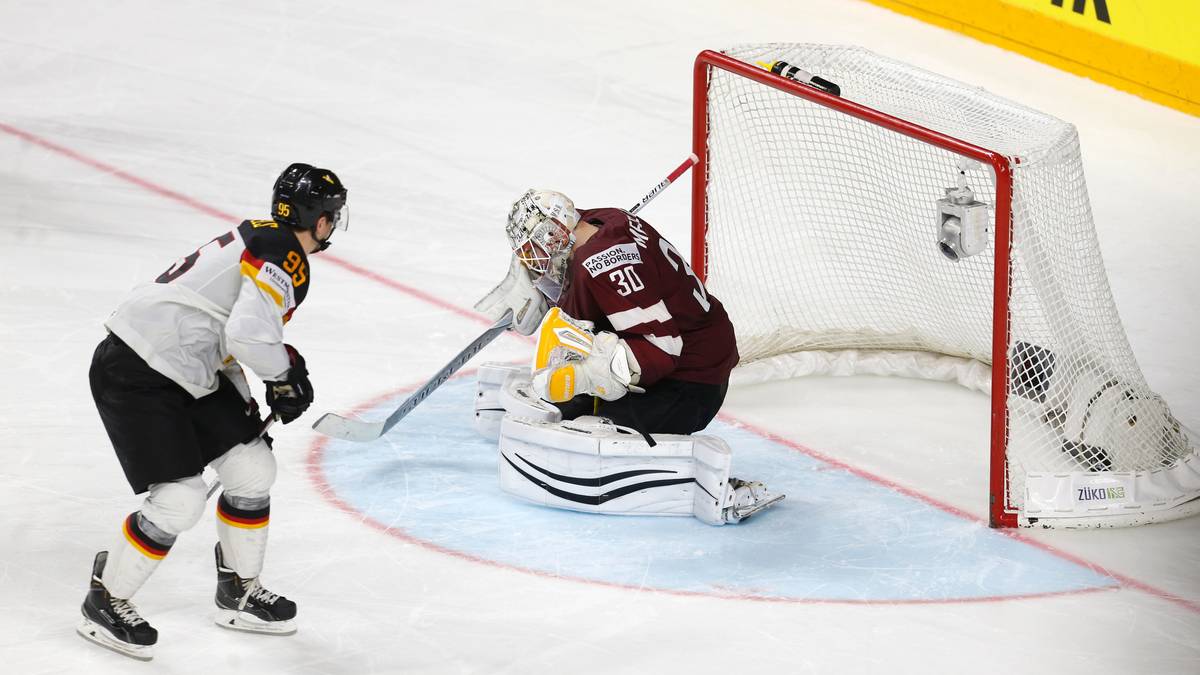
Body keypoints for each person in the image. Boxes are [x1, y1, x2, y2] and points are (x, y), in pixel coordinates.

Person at [78, 163, 347, 661]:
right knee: (179, 500)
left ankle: (237, 591)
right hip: (138, 367)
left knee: (252, 467)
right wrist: (282, 375)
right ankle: (105, 598)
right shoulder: (283, 254)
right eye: (333, 216)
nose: (333, 225)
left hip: (189, 363)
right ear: (320, 219)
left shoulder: (264, 238)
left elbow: (222, 334)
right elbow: (247, 335)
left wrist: (263, 388)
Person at [475, 189, 781, 525]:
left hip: (691, 380)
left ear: (555, 234)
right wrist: (544, 288)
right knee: (564, 395)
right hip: (689, 351)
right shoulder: (603, 219)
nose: (532, 261)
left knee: (588, 431)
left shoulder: (603, 264)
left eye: (532, 251)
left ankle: (708, 485)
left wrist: (587, 375)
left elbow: (662, 348)